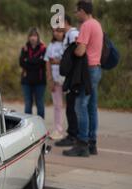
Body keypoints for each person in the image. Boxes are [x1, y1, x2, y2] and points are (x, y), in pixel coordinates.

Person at [63, 1, 103, 157]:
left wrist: (71, 52)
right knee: (92, 107)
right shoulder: (97, 24)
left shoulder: (86, 25)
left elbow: (80, 51)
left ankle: (82, 144)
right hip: (97, 68)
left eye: (76, 11)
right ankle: (92, 144)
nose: (75, 14)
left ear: (83, 11)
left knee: (80, 106)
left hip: (87, 70)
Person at [56, 15, 80, 147]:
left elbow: (76, 55)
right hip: (69, 76)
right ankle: (72, 134)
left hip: (72, 76)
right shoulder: (68, 35)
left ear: (65, 22)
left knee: (72, 107)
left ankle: (73, 136)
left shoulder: (73, 34)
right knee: (70, 106)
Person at [20, 28, 47, 119]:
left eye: (35, 36)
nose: (33, 38)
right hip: (26, 80)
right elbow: (21, 62)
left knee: (40, 103)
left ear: (38, 37)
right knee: (28, 103)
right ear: (28, 37)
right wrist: (35, 61)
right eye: (31, 36)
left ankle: (41, 124)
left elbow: (42, 63)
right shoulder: (25, 48)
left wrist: (28, 61)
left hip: (40, 81)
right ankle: (28, 125)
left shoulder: (43, 48)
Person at [45, 27, 66, 140]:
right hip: (55, 78)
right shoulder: (51, 45)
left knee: (72, 106)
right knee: (57, 105)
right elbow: (47, 62)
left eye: (59, 31)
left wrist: (57, 61)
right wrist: (50, 79)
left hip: (66, 79)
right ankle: (58, 129)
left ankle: (73, 131)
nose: (56, 33)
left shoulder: (67, 44)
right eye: (54, 31)